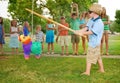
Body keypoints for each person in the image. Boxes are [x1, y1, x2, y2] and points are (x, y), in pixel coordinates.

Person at [76, 3, 105, 75]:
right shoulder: (91, 20)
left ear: (95, 12)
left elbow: (91, 32)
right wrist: (80, 31)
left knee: (89, 57)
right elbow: (86, 28)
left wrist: (82, 33)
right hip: (92, 42)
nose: (88, 13)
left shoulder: (99, 22)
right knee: (98, 56)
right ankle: (102, 69)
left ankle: (87, 72)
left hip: (94, 43)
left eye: (90, 12)